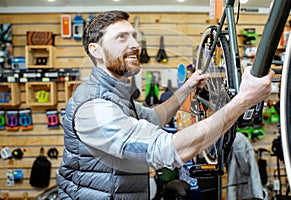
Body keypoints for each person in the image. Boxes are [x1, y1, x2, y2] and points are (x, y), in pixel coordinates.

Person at [57, 10, 274, 199]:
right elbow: (168, 150)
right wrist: (243, 100)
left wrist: (187, 88)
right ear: (95, 50)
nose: (134, 44)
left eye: (133, 36)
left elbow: (155, 117)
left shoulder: (116, 96)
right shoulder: (95, 108)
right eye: (121, 37)